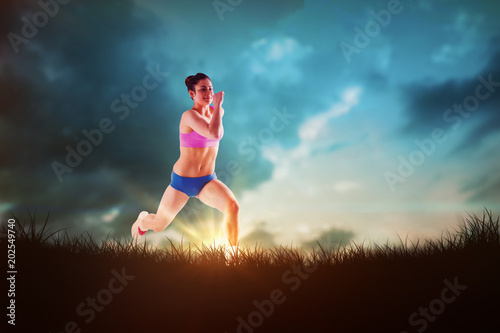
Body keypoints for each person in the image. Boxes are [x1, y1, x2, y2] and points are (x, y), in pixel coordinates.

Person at [131, 73, 239, 251]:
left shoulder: (216, 112)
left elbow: (216, 128)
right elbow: (214, 134)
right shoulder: (189, 116)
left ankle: (234, 257)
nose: (208, 93)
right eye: (202, 89)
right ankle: (142, 222)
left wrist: (217, 107)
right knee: (158, 225)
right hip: (182, 182)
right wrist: (218, 104)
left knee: (232, 207)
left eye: (210, 89)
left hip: (207, 181)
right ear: (192, 93)